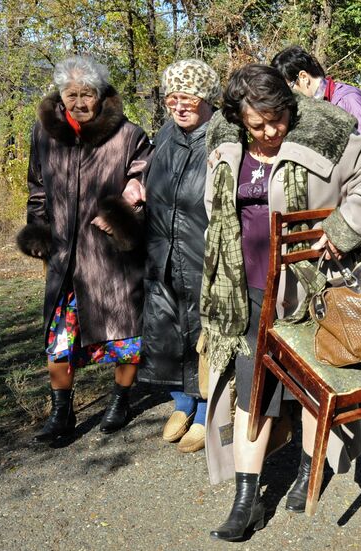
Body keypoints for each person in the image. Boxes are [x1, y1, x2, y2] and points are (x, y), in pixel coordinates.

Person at [201, 64, 361, 541]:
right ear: (237, 119)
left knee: (312, 389)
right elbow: (214, 207)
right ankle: (245, 501)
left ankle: (306, 473)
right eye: (258, 124)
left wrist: (342, 227)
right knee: (253, 392)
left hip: (314, 290)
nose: (271, 130)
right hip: (246, 291)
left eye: (278, 117)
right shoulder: (225, 146)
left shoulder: (327, 133)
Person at [16, 56, 151, 442]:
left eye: (87, 94)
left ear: (101, 94)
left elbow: (144, 178)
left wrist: (127, 207)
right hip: (64, 257)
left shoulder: (129, 135)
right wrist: (38, 232)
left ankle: (120, 400)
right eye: (70, 94)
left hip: (110, 255)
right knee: (58, 337)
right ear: (60, 95)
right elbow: (37, 188)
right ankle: (61, 413)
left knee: (124, 333)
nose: (78, 102)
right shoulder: (44, 134)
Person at [134, 59, 221, 453]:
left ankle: (206, 411)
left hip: (202, 253)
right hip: (162, 251)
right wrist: (133, 187)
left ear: (205, 98)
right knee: (167, 328)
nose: (179, 106)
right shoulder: (167, 132)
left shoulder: (222, 136)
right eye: (172, 99)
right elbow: (151, 176)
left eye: (187, 99)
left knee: (203, 334)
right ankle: (181, 403)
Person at [271, 45, 361, 138]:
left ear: (303, 77)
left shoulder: (348, 99)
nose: (287, 95)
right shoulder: (306, 108)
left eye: (289, 88)